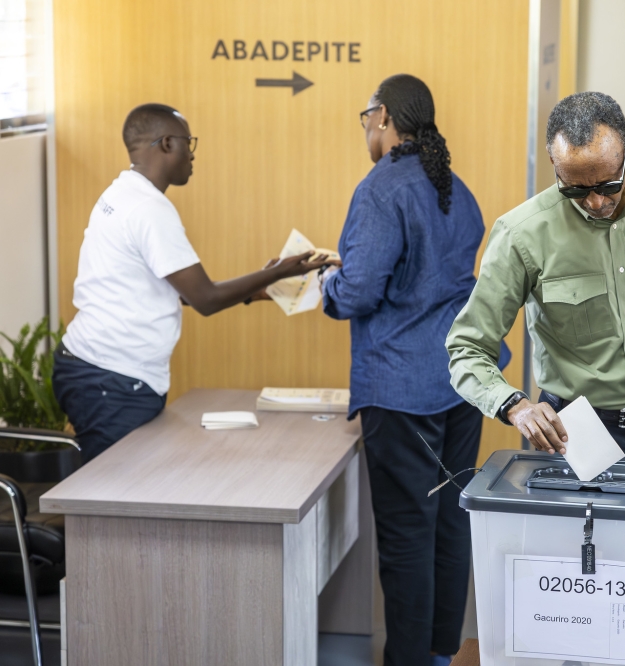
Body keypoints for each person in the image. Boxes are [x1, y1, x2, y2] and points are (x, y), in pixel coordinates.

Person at [446, 91, 625, 461]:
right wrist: (514, 405)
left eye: (607, 185)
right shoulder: (521, 233)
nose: (594, 202)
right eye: (575, 188)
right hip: (574, 435)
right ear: (553, 163)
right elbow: (467, 347)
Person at [54, 103, 334, 463]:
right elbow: (205, 299)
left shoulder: (120, 193)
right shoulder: (150, 210)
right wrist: (280, 271)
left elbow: (169, 288)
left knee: (126, 490)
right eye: (190, 143)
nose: (193, 155)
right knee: (118, 498)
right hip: (112, 379)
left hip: (91, 367)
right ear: (168, 143)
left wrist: (256, 291)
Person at [319, 74, 485, 666]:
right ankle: (440, 654)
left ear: (383, 116)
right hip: (462, 384)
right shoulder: (454, 188)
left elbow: (359, 293)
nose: (365, 125)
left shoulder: (380, 188)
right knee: (448, 523)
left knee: (407, 536)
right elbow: (434, 276)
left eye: (366, 115)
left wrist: (327, 283)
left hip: (403, 389)